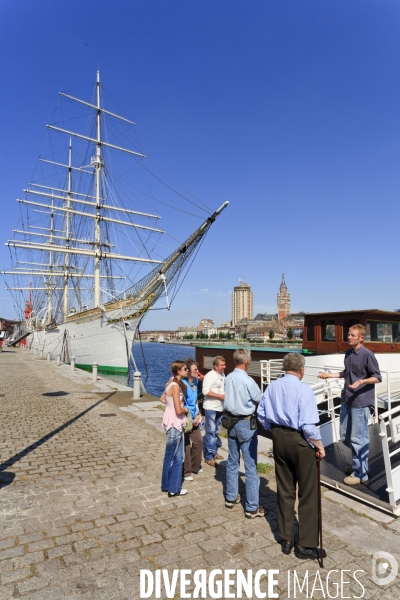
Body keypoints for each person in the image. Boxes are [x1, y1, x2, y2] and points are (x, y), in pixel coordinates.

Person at [258, 352, 326, 560]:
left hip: (279, 438)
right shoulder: (304, 390)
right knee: (308, 491)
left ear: (285, 368)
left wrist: (274, 430)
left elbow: (261, 413)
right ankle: (305, 544)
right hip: (299, 441)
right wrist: (320, 446)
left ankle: (286, 538)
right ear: (301, 369)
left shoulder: (272, 387)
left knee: (285, 488)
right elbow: (308, 426)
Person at [318, 323, 381, 485]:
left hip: (361, 403)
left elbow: (377, 377)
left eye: (352, 335)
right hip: (347, 399)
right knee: (345, 437)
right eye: (348, 335)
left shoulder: (368, 355)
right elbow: (347, 373)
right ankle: (358, 465)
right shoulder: (348, 353)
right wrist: (328, 375)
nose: (349, 337)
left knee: (358, 438)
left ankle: (361, 474)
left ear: (361, 338)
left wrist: (362, 382)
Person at [224, 348, 265, 519]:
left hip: (230, 422)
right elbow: (259, 398)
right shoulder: (248, 381)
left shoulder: (228, 378)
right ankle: (252, 507)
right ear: (247, 361)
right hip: (245, 423)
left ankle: (231, 497)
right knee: (250, 466)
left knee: (232, 461)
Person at [161, 361, 190, 497]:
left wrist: (170, 405)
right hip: (175, 423)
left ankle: (167, 485)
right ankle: (174, 489)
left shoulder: (170, 384)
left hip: (170, 421)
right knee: (177, 458)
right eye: (185, 369)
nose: (187, 371)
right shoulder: (176, 387)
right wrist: (186, 409)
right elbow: (179, 410)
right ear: (178, 371)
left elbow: (162, 398)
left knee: (170, 456)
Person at [182, 359, 204, 480]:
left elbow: (195, 400)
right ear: (189, 372)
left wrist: (198, 414)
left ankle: (195, 466)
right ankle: (186, 472)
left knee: (199, 441)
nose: (197, 371)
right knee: (186, 444)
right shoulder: (183, 384)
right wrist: (187, 416)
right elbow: (181, 402)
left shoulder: (195, 381)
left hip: (194, 416)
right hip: (185, 417)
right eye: (195, 369)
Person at [202, 355, 226, 466]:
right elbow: (205, 391)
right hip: (211, 407)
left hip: (220, 407)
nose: (224, 367)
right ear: (216, 366)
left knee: (216, 431)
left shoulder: (222, 375)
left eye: (224, 365)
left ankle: (214, 451)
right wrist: (220, 396)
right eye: (222, 365)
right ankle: (208, 456)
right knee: (210, 432)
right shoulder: (210, 376)